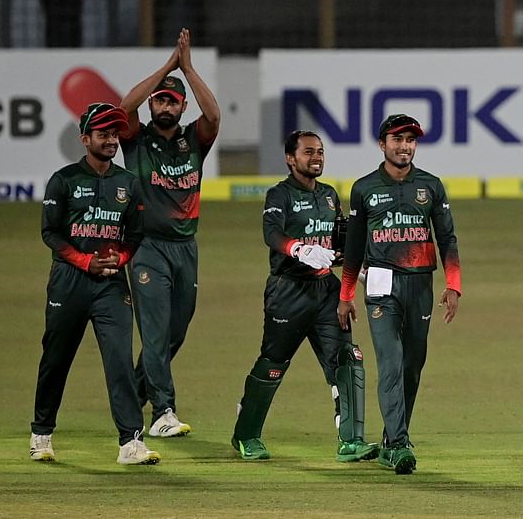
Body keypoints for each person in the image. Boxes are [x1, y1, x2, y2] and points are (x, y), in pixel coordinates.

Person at [230, 130, 379, 462]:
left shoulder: (328, 195)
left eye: (321, 152)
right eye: (309, 152)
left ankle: (351, 440)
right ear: (290, 158)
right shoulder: (279, 195)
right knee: (273, 365)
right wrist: (297, 248)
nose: (317, 157)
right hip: (288, 291)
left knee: (347, 360)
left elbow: (341, 241)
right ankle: (246, 435)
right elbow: (271, 233)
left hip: (326, 289)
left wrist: (356, 271)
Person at [30, 103, 161, 465]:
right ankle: (41, 433)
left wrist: (119, 260)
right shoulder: (64, 180)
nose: (111, 140)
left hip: (111, 285)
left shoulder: (128, 183)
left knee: (119, 360)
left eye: (115, 134)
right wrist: (85, 260)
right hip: (69, 282)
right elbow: (49, 233)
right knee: (56, 359)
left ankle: (130, 443)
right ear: (85, 138)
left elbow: (135, 235)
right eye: (103, 134)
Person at [337, 114, 462, 475]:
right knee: (390, 362)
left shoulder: (432, 186)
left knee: (412, 366)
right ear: (382, 144)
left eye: (410, 140)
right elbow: (355, 246)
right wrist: (345, 295)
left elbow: (447, 239)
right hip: (380, 286)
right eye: (397, 139)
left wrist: (453, 285)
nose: (404, 146)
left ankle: (393, 439)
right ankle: (400, 443)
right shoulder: (364, 188)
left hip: (421, 285)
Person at [119, 27, 220, 438]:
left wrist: (189, 69)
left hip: (185, 247)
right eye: (160, 99)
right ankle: (163, 411)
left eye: (172, 101)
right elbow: (123, 106)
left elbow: (213, 115)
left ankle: (126, 398)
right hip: (146, 247)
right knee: (156, 332)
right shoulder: (136, 140)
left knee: (174, 334)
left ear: (180, 108)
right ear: (153, 105)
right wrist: (166, 67)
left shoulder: (193, 141)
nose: (165, 105)